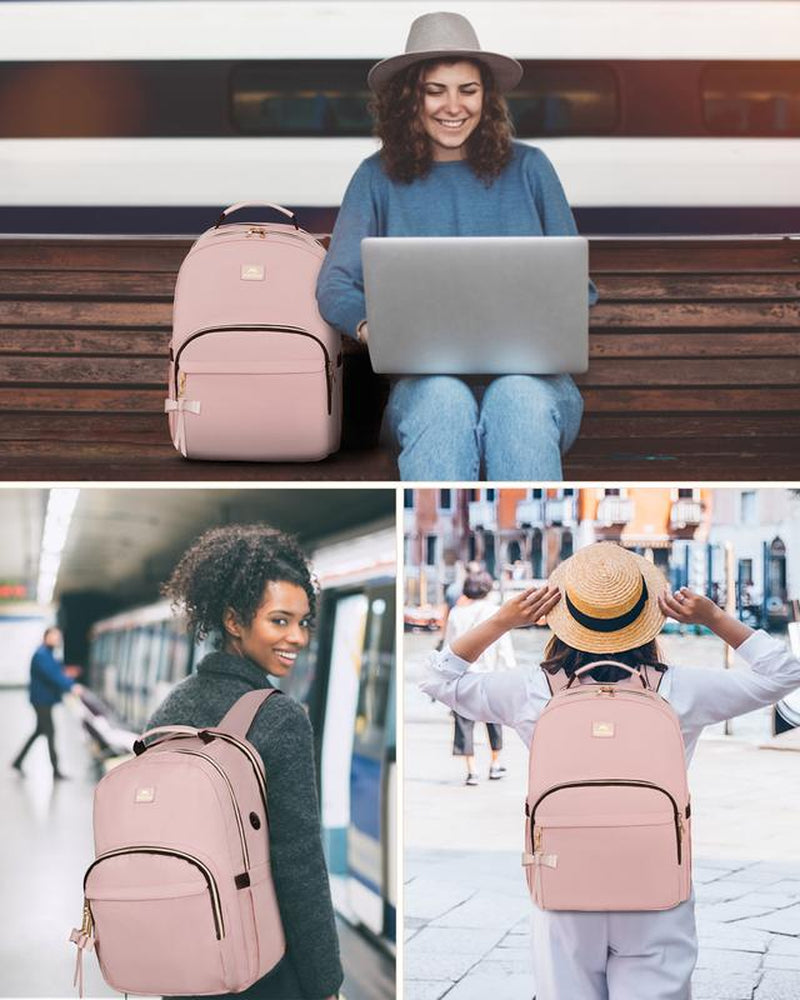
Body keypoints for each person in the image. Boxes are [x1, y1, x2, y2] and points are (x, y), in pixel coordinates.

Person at [420, 542, 800, 999]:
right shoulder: (680, 688)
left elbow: (437, 678)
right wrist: (715, 618)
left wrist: (503, 620)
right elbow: (785, 673)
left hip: (564, 888)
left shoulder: (534, 691)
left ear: (561, 615)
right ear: (647, 615)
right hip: (657, 887)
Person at [316, 11, 597, 481]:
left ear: (486, 97)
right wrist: (369, 327)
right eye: (435, 90)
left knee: (518, 398)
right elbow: (335, 283)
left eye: (468, 89)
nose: (454, 105)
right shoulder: (375, 177)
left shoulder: (532, 169)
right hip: (424, 389)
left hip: (538, 388)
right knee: (444, 399)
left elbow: (577, 286)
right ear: (410, 98)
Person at [147, 524, 343, 1000]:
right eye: (279, 621)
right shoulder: (279, 717)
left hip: (185, 958)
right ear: (234, 621)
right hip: (261, 965)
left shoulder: (169, 710)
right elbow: (298, 861)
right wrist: (326, 982)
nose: (297, 637)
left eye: (303, 622)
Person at [444, 570, 515, 785]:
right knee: (494, 721)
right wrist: (511, 674)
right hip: (490, 678)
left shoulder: (456, 613)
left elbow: (450, 648)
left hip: (464, 677)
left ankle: (472, 770)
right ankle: (494, 765)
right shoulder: (496, 612)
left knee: (464, 724)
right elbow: (505, 649)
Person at [12, 626, 83, 780]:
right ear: (46, 637)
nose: (57, 640)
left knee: (39, 731)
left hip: (44, 700)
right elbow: (53, 675)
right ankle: (55, 770)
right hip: (41, 701)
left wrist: (68, 674)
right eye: (55, 636)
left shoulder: (47, 653)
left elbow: (56, 671)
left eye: (58, 637)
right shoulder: (42, 655)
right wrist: (71, 686)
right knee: (50, 732)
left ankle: (17, 762)